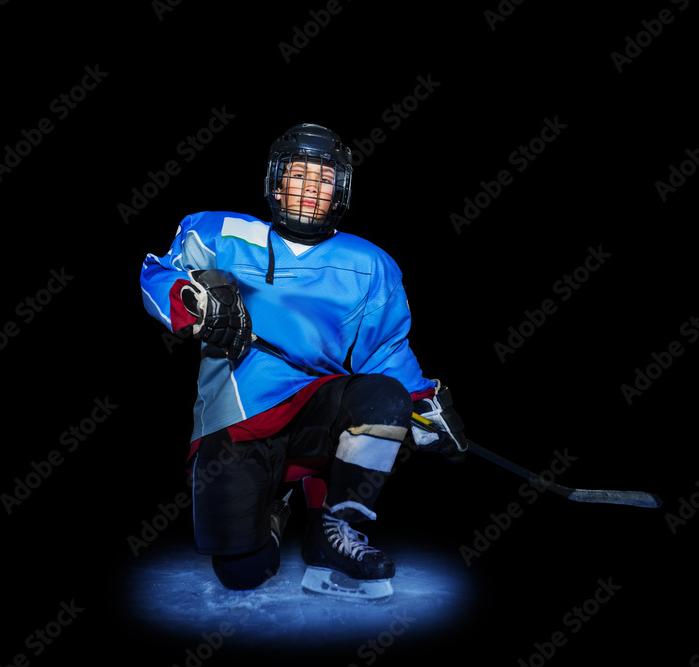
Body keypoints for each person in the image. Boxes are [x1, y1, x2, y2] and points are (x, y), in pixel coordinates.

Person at [139, 123, 465, 599]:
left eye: (324, 179)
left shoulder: (370, 264)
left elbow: (387, 350)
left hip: (319, 408)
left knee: (384, 400)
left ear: (340, 191)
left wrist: (426, 405)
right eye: (299, 176)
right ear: (276, 182)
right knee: (243, 573)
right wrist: (191, 298)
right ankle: (276, 507)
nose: (311, 190)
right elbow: (156, 274)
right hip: (240, 417)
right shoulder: (219, 232)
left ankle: (331, 529)